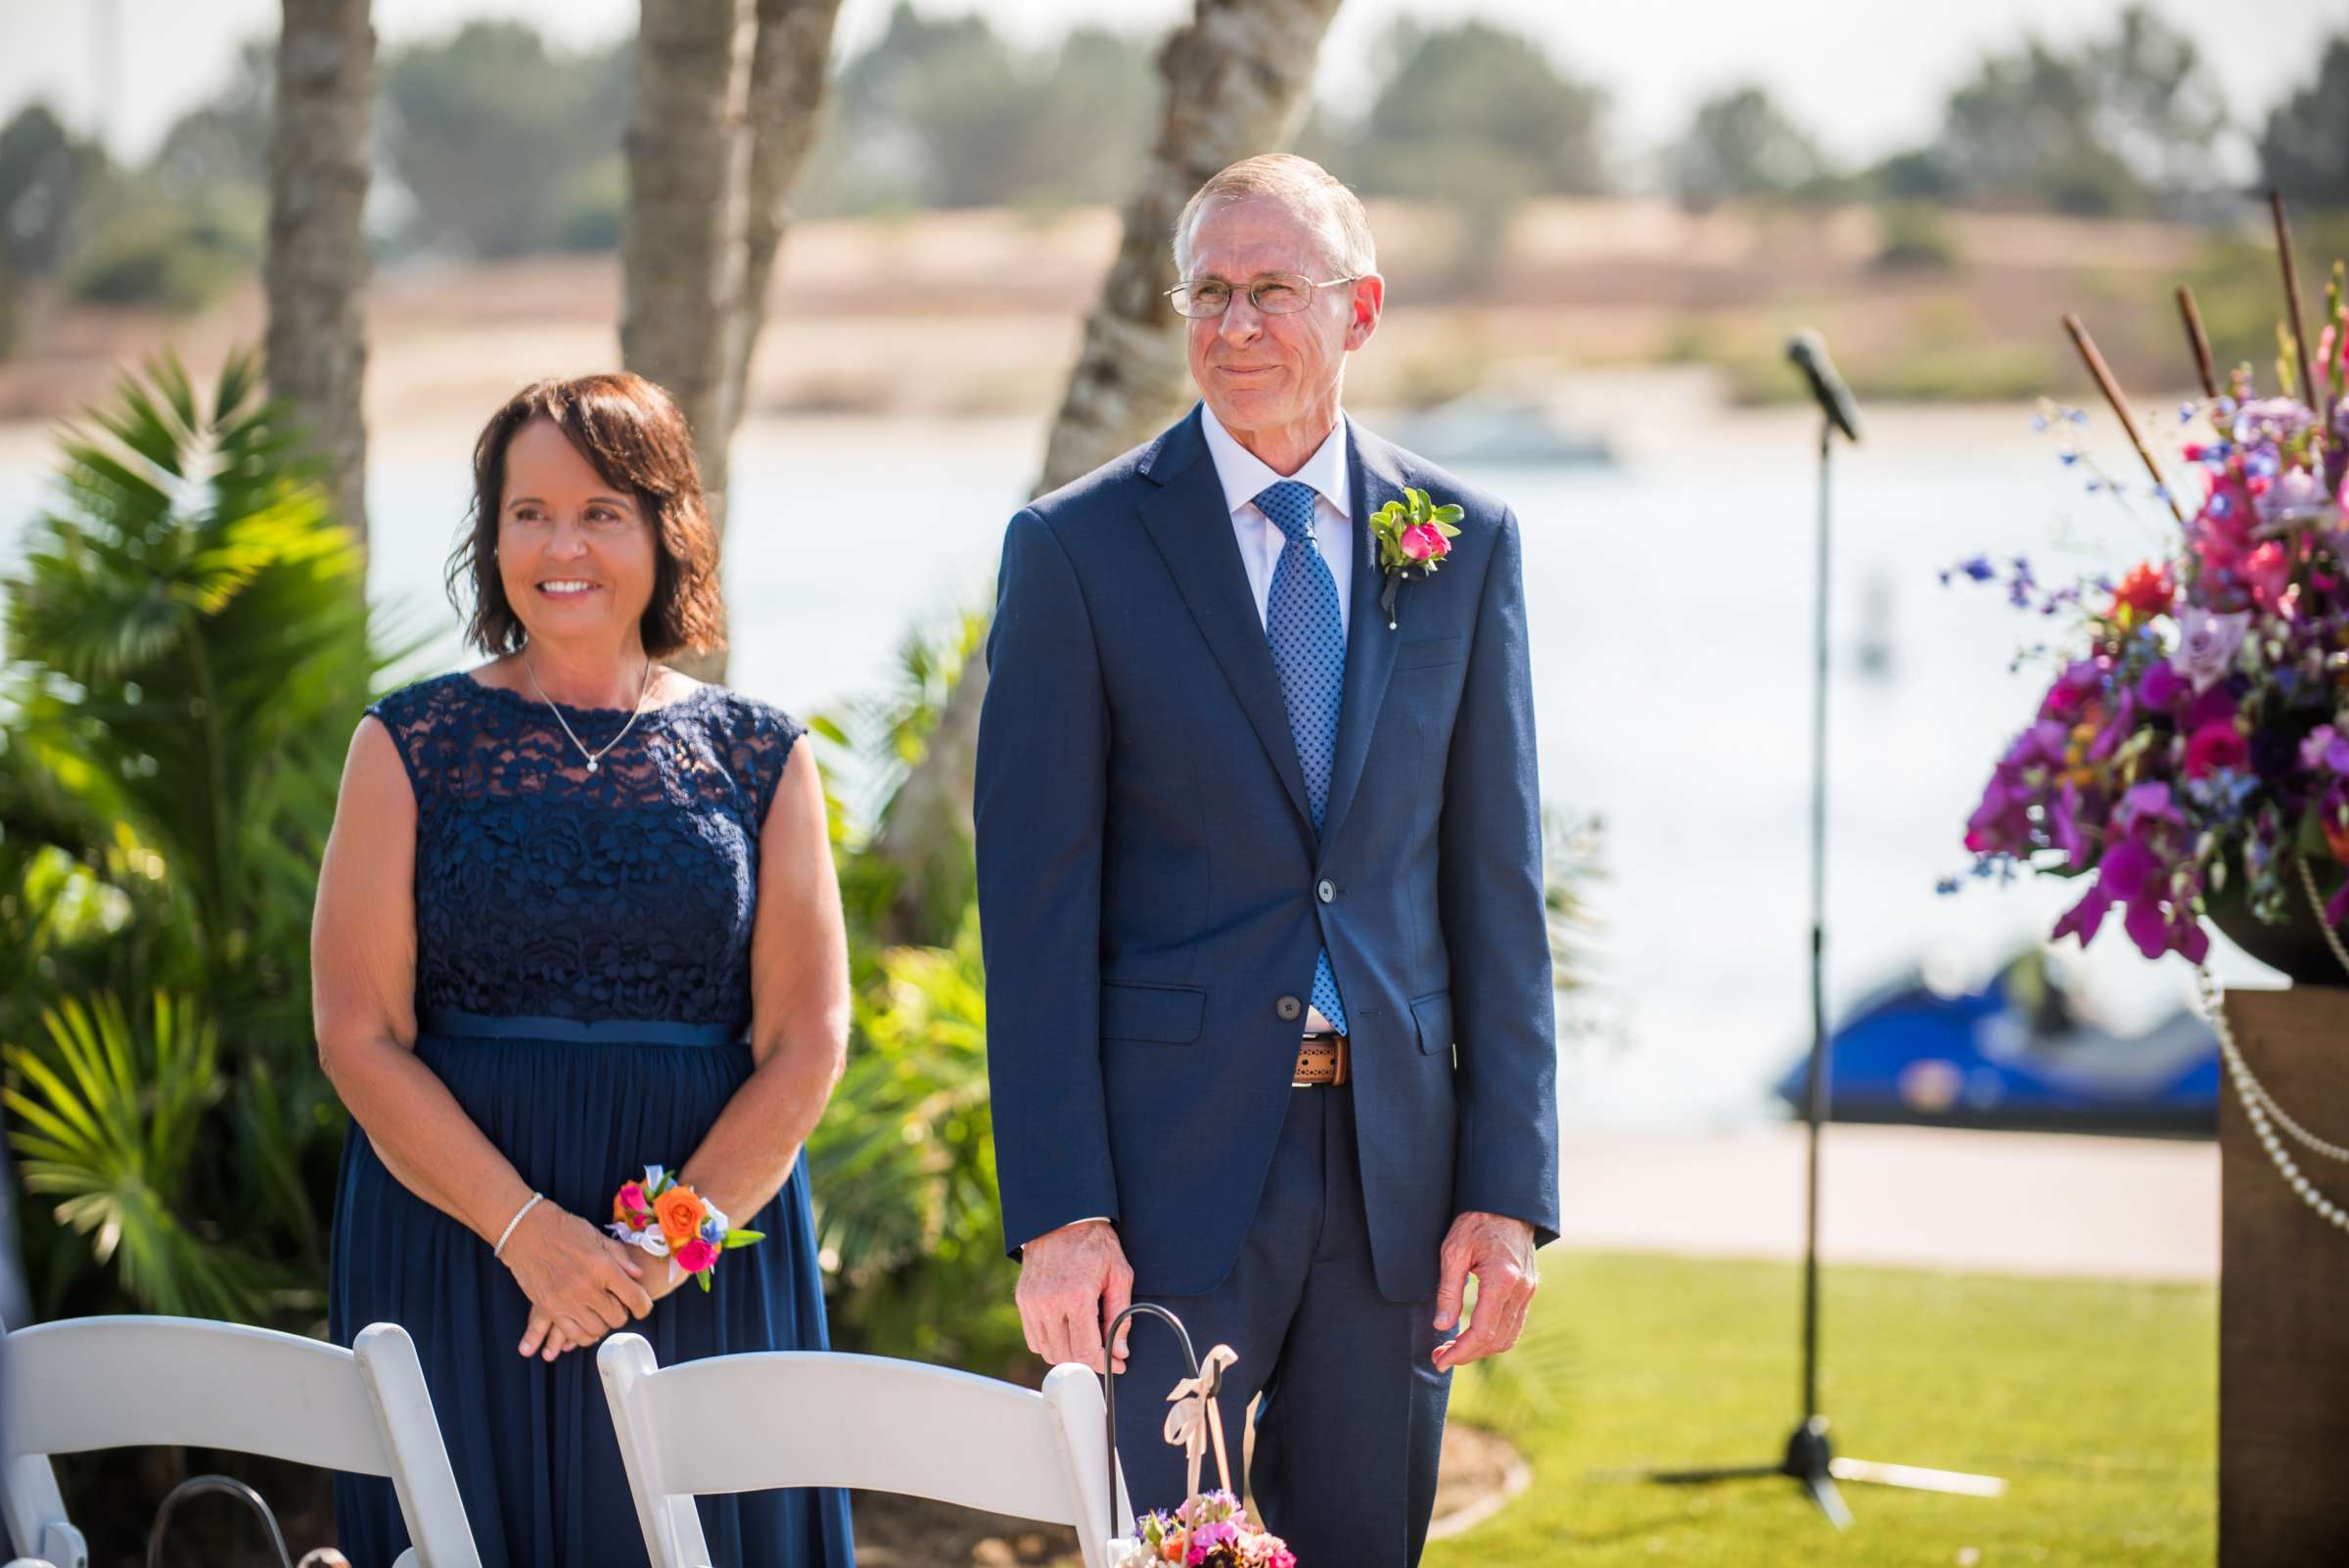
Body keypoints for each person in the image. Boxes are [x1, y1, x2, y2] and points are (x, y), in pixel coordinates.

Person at [974, 154, 1559, 1567]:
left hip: (1396, 1181)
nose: (1235, 326)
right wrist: (1059, 1212)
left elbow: (1496, 887)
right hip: (1173, 1179)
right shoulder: (1076, 548)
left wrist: (1506, 1194)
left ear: (1358, 312)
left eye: (1271, 292)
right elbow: (1034, 911)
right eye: (1210, 293)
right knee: (1178, 1551)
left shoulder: (1464, 542)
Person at [314, 373, 855, 1567]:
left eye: (602, 511)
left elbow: (809, 1038)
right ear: (490, 533)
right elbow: (357, 1032)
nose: (561, 547)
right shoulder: (406, 744)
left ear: (666, 530)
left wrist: (668, 1248)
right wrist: (526, 1233)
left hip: (699, 1263)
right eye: (528, 513)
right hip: (453, 1240)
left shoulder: (764, 753)